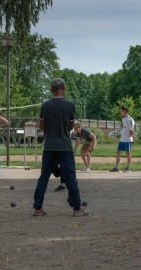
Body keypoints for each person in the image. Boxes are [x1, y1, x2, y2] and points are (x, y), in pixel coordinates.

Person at [33, 78, 87, 217]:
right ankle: (76, 208)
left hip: (49, 145)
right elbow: (70, 126)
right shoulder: (70, 104)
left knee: (44, 176)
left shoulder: (45, 105)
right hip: (64, 146)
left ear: (51, 89)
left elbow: (41, 126)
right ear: (63, 87)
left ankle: (37, 208)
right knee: (70, 177)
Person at [110, 106, 136, 172]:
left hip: (127, 139)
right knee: (118, 152)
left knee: (128, 153)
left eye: (121, 111)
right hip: (122, 139)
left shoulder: (130, 119)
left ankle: (128, 167)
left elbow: (131, 129)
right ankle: (117, 167)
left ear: (125, 111)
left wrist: (133, 136)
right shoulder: (123, 119)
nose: (120, 112)